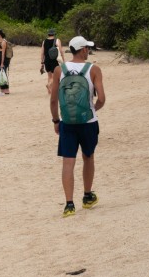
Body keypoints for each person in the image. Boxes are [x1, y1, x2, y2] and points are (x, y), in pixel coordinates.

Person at [50, 36, 106, 218]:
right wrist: (92, 110)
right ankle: (87, 196)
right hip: (88, 122)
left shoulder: (60, 70)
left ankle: (69, 204)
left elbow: (53, 99)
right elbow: (102, 99)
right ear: (82, 50)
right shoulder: (94, 69)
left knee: (68, 162)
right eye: (87, 48)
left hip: (67, 122)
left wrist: (56, 121)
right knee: (88, 157)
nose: (88, 51)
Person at [40, 28, 66, 94]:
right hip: (54, 60)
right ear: (54, 34)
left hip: (47, 61)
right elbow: (60, 50)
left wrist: (42, 62)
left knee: (49, 76)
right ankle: (49, 85)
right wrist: (63, 59)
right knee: (55, 76)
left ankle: (49, 91)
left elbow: (42, 52)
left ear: (48, 34)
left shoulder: (44, 41)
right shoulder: (57, 40)